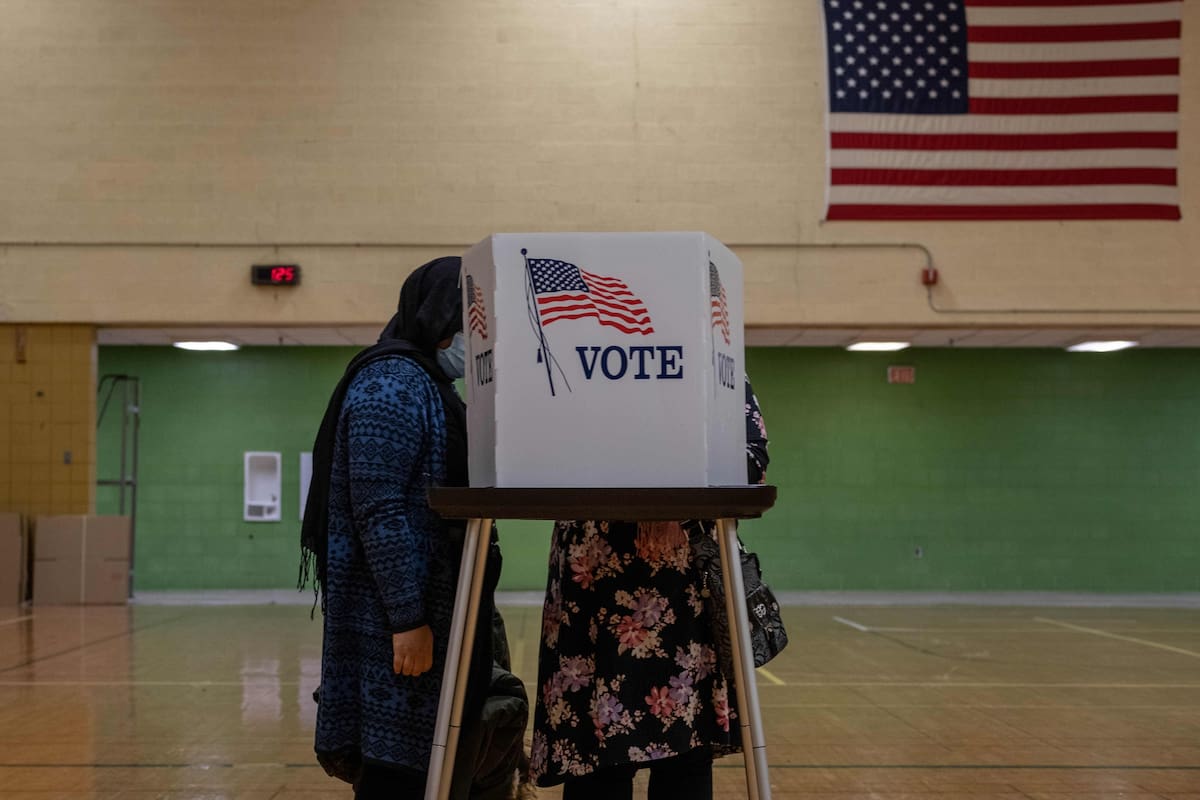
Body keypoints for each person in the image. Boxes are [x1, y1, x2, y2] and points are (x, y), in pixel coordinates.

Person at [300, 256, 501, 799]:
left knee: (434, 769)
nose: (479, 339)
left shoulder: (432, 386)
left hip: (438, 611)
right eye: (472, 324)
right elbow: (378, 509)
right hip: (396, 626)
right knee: (397, 775)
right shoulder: (388, 385)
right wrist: (407, 619)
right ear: (439, 321)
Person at [529, 376, 770, 800]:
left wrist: (664, 495)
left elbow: (751, 459)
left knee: (685, 753)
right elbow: (545, 444)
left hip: (681, 585)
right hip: (596, 582)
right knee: (595, 754)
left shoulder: (707, 358)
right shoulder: (582, 356)